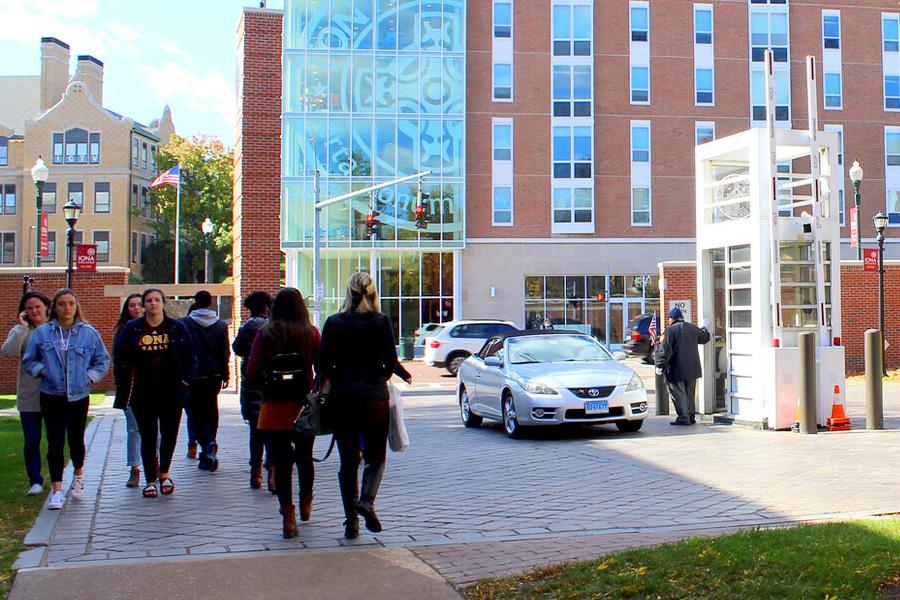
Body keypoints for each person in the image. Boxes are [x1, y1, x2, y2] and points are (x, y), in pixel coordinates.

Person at [320, 272, 412, 540]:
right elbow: (390, 360)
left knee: (348, 463)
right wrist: (381, 379)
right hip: (373, 398)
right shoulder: (381, 322)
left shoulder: (334, 323)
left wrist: (336, 382)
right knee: (375, 458)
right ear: (373, 294)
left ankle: (351, 522)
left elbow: (323, 363)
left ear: (347, 293)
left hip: (342, 398)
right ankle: (367, 501)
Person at [22, 289, 109, 510]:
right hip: (51, 393)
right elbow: (29, 360)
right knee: (55, 441)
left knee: (76, 439)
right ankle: (57, 490)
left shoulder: (88, 333)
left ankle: (78, 477)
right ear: (54, 308)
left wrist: (90, 377)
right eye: (62, 304)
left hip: (78, 395)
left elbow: (102, 360)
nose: (67, 308)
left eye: (71, 303)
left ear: (76, 306)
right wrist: (42, 371)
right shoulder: (43, 333)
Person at [246, 288, 319, 539]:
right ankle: (306, 502)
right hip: (303, 407)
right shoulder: (310, 333)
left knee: (281, 462)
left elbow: (251, 371)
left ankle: (288, 517)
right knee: (305, 458)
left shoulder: (264, 333)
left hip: (274, 406)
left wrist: (267, 387)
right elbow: (323, 366)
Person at [113, 289, 196, 498]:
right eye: (148, 300)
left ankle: (165, 474)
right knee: (148, 436)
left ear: (163, 303)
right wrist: (124, 383)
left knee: (169, 434)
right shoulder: (133, 329)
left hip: (171, 391)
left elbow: (191, 356)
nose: (153, 304)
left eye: (157, 300)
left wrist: (185, 380)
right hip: (142, 392)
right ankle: (150, 480)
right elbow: (120, 356)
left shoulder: (176, 328)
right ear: (144, 305)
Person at [2, 291, 51, 496]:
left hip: (54, 394)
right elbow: (9, 352)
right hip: (29, 395)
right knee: (31, 439)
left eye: (37, 307)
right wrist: (21, 328)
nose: (34, 311)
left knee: (56, 439)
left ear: (46, 307)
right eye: (29, 309)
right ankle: (35, 480)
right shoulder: (21, 330)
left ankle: (58, 478)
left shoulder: (56, 328)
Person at [181, 291, 230, 471]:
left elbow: (181, 349)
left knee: (195, 414)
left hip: (192, 377)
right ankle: (209, 445)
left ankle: (207, 443)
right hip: (214, 376)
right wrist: (225, 374)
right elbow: (225, 352)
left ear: (195, 302)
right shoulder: (220, 326)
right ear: (211, 304)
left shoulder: (184, 324)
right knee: (211, 410)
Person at [232, 291, 275, 491]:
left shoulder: (247, 326)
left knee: (255, 432)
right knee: (274, 431)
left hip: (251, 383)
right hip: (272, 384)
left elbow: (238, 349)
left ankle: (255, 471)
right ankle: (273, 471)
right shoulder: (275, 325)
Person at [654, 307, 710, 426]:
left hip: (676, 369)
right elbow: (705, 338)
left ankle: (683, 418)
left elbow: (664, 350)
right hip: (692, 369)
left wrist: (659, 365)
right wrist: (704, 327)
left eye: (669, 318)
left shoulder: (669, 331)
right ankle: (690, 416)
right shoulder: (692, 328)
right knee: (690, 394)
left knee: (678, 394)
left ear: (672, 319)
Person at [113, 294, 145, 488]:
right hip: (131, 387)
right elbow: (117, 359)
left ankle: (155, 464)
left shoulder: (157, 328)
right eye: (132, 305)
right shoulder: (123, 331)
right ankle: (134, 468)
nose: (136, 308)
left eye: (139, 305)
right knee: (134, 429)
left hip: (153, 386)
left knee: (155, 431)